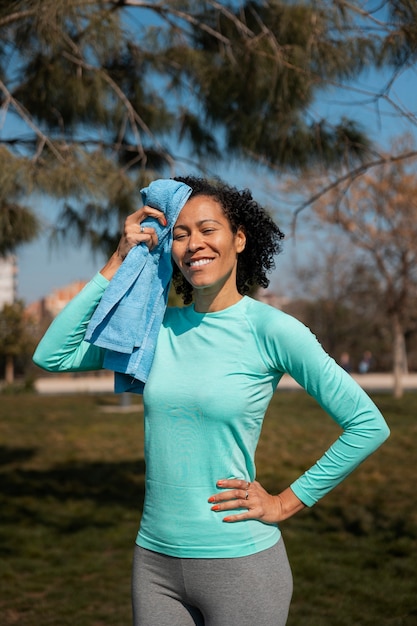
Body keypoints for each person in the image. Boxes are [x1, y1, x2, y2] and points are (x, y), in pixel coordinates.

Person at [33, 176, 390, 626]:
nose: (193, 244)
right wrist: (119, 259)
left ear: (239, 239)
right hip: (154, 563)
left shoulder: (272, 329)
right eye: (180, 234)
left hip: (241, 565)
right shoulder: (153, 329)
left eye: (207, 229)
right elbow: (53, 354)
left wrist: (285, 503)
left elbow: (367, 424)